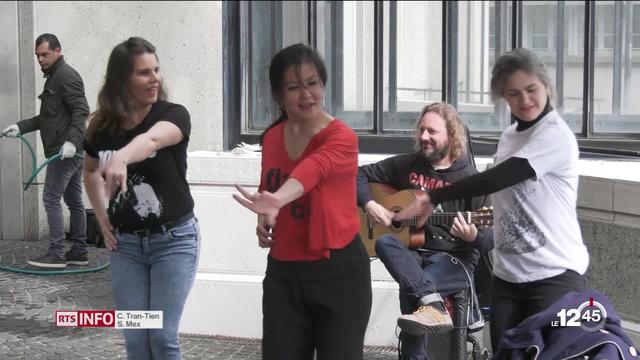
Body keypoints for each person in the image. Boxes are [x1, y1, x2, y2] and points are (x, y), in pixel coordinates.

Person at [397, 48, 589, 352]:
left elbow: (499, 179)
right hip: (508, 276)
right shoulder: (510, 136)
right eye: (513, 94)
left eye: (531, 90)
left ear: (546, 87)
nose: (525, 100)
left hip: (554, 275)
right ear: (503, 97)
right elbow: (511, 201)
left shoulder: (555, 136)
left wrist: (432, 197)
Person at [232, 43, 372, 360]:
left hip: (339, 274)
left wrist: (278, 200)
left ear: (323, 85)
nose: (306, 94)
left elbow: (313, 170)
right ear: (279, 94)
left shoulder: (341, 136)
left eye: (313, 83)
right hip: (284, 274)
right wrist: (265, 215)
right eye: (294, 87)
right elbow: (270, 182)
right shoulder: (271, 137)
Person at [83, 37, 199, 360]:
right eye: (143, 73)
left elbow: (150, 141)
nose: (155, 79)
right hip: (126, 246)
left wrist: (121, 157)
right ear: (123, 81)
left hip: (173, 240)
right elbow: (90, 170)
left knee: (162, 338)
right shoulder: (102, 126)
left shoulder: (173, 115)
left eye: (156, 70)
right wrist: (101, 214)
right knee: (136, 342)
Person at [357, 102, 493, 359]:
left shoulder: (471, 180)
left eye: (432, 131)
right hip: (413, 252)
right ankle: (432, 304)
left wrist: (473, 235)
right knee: (386, 242)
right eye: (421, 130)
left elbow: (491, 240)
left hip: (454, 260)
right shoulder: (408, 166)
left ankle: (427, 307)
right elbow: (357, 174)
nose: (423, 137)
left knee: (415, 289)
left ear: (451, 136)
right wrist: (371, 203)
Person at [2, 33, 89, 269]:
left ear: (58, 51)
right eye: (38, 55)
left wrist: (71, 142)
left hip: (65, 151)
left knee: (51, 198)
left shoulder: (65, 76)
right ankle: (80, 251)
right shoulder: (53, 78)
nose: (40, 59)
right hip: (67, 150)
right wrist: (19, 126)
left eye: (45, 54)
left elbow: (82, 110)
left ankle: (56, 253)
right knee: (73, 200)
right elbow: (47, 117)